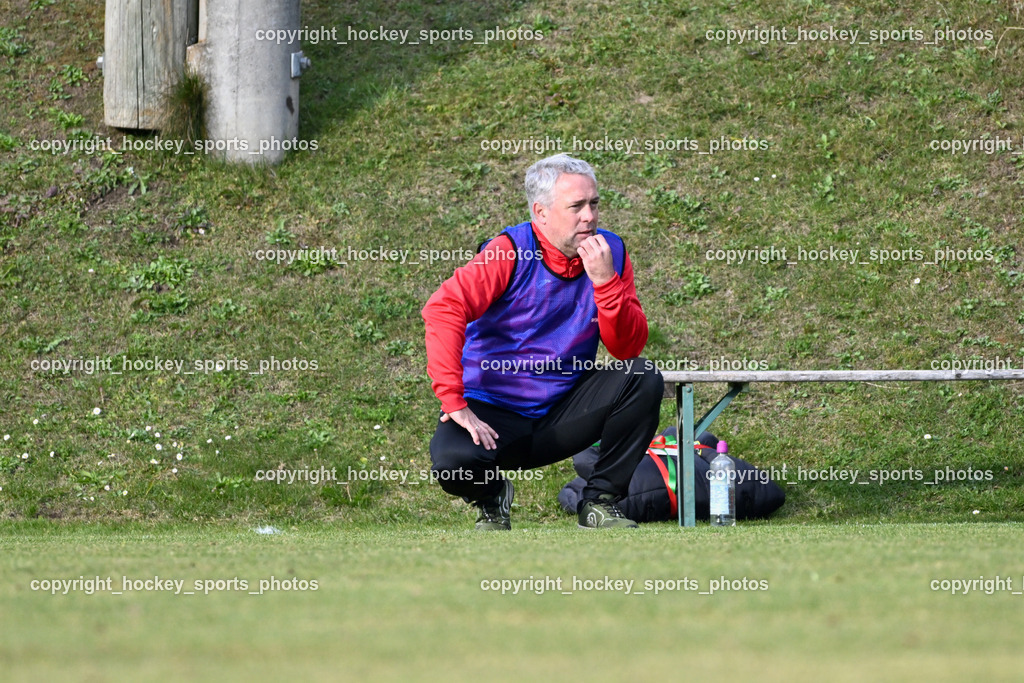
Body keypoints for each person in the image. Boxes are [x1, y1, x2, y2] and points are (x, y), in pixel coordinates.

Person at [422, 153, 663, 530]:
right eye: (577, 206)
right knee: (453, 464)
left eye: (594, 204)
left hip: (564, 409)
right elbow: (443, 309)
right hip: (494, 413)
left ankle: (599, 503)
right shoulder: (508, 251)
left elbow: (627, 348)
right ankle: (492, 497)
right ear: (541, 212)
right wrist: (453, 401)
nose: (590, 216)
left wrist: (605, 283)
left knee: (641, 376)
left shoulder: (609, 253)